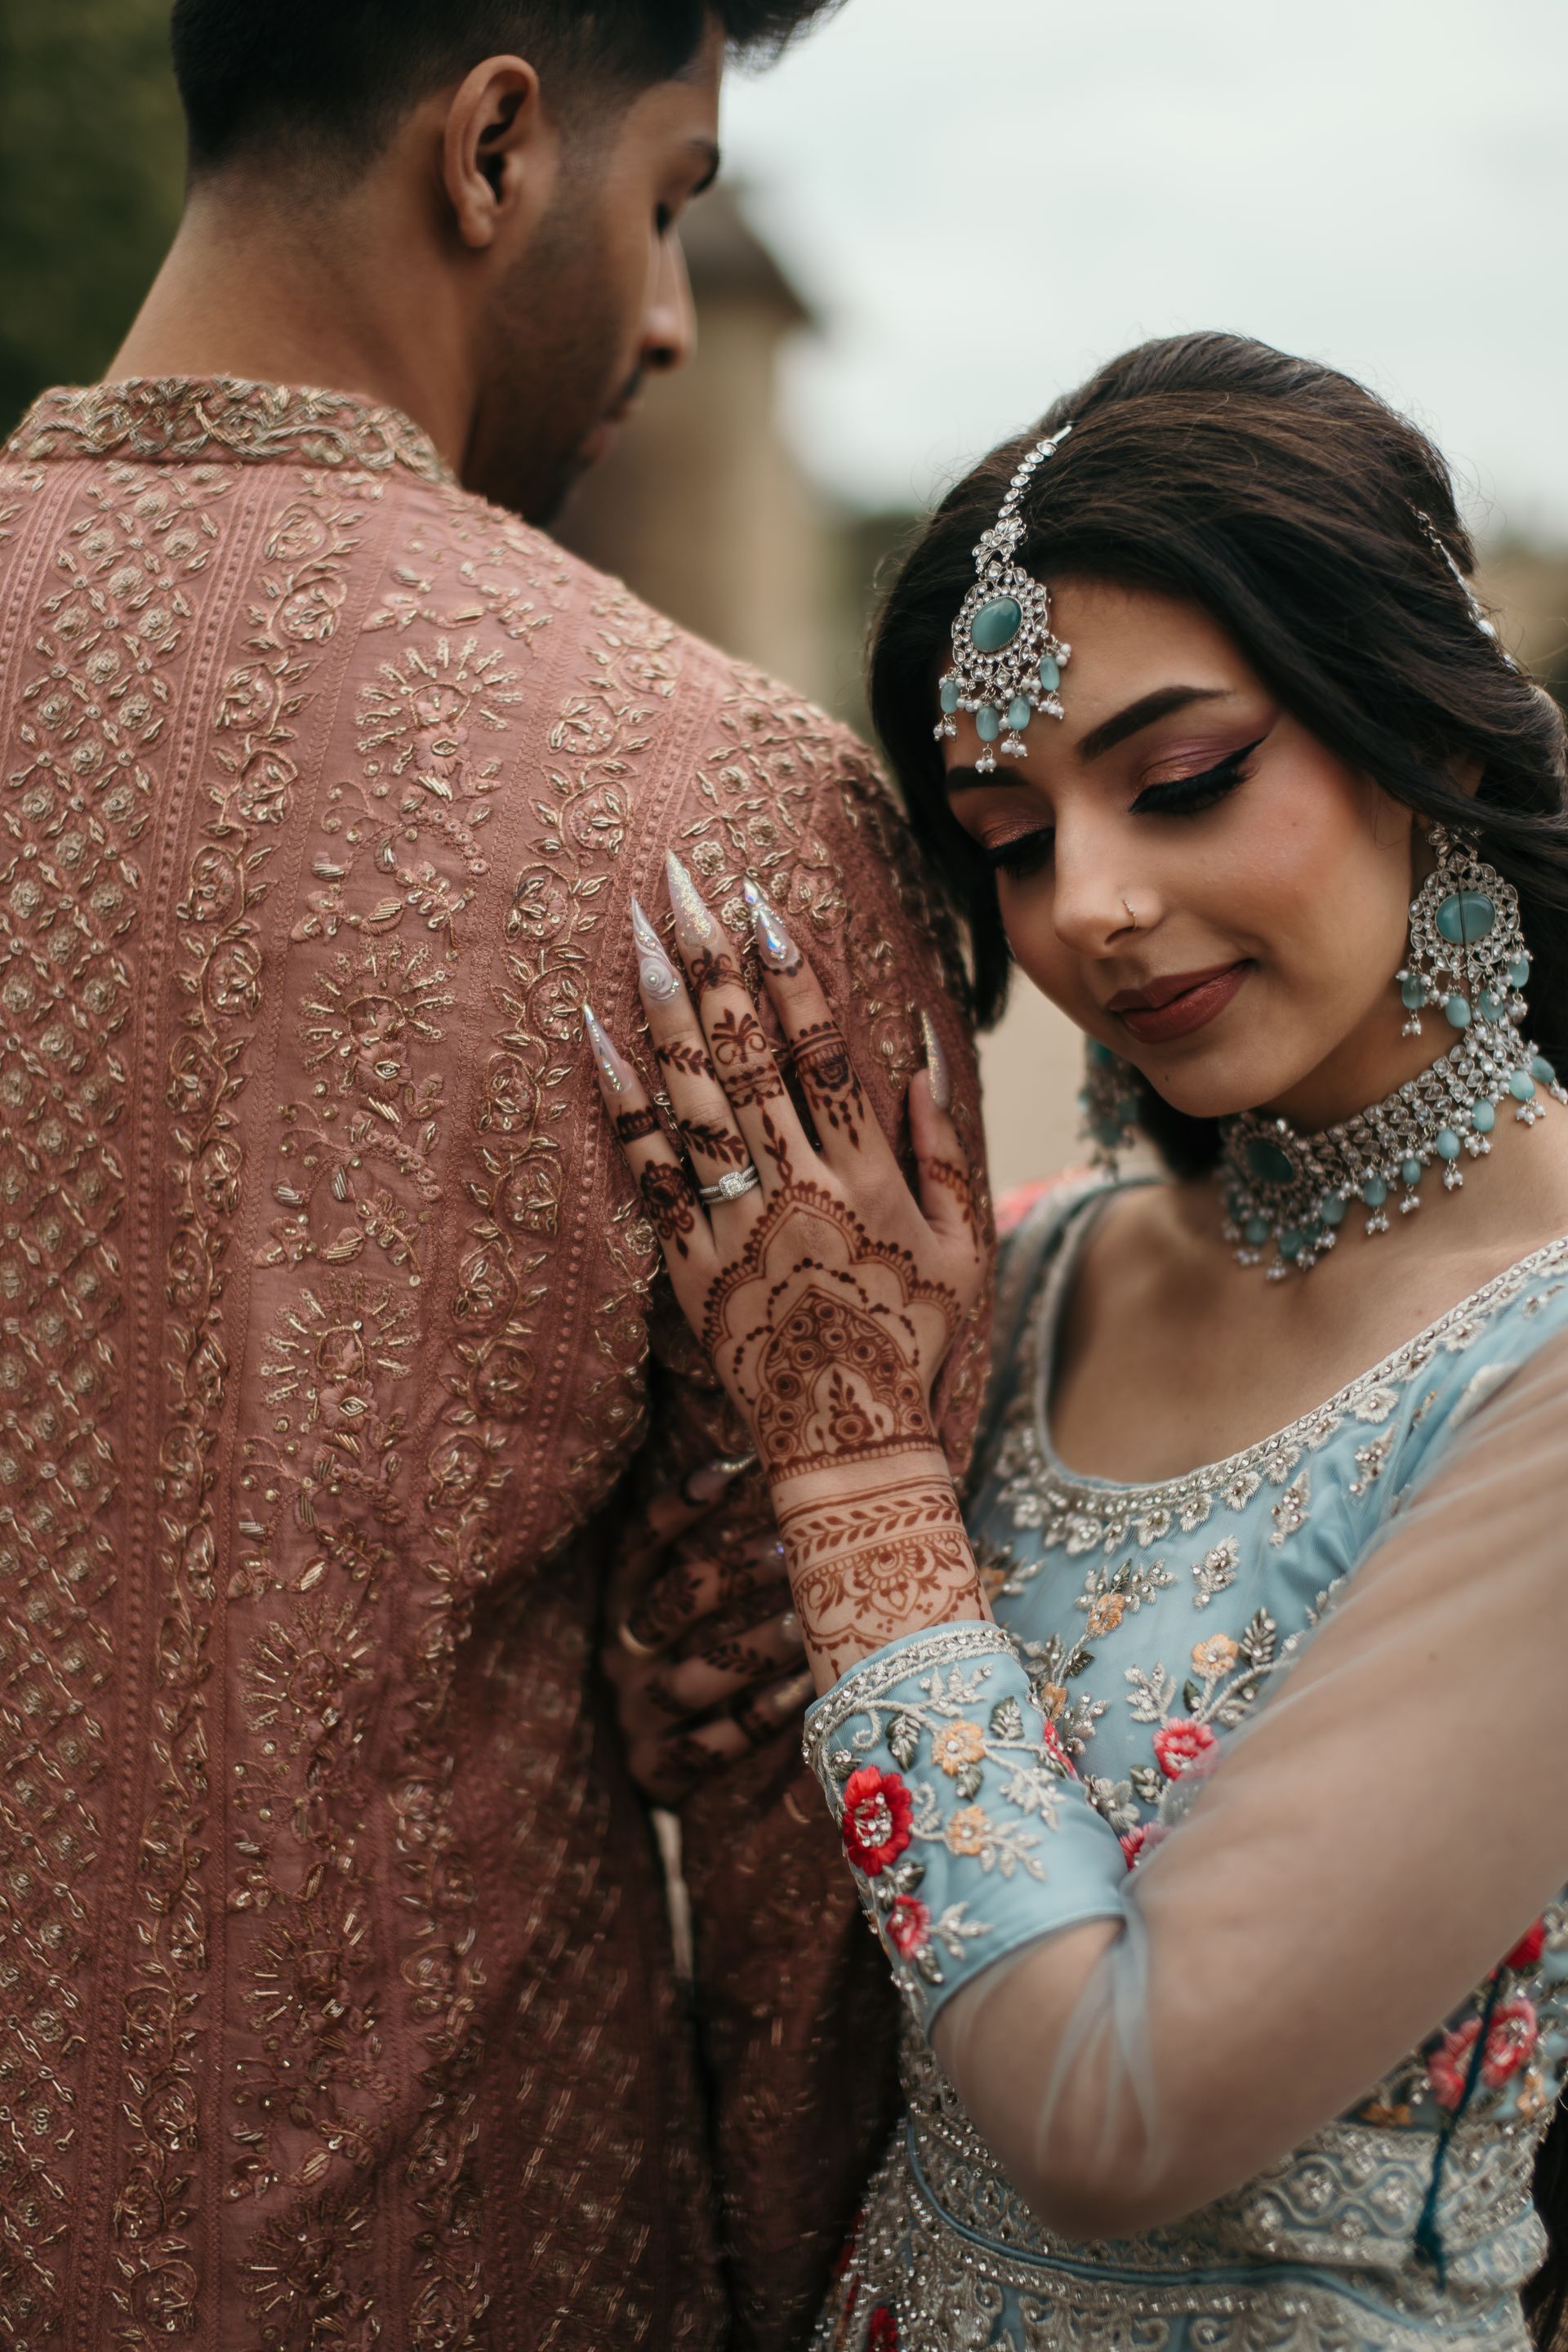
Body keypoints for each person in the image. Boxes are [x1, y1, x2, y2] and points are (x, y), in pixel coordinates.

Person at [0, 5, 996, 2345]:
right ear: (495, 145)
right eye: (668, 197)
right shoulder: (716, 819)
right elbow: (799, 1775)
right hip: (448, 2255)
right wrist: (795, 2275)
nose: (667, 306)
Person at [596, 331, 1568, 2350]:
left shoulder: (1542, 1365)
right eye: (1012, 833)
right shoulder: (1026, 1281)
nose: (1093, 909)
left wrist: (856, 1499)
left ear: (1433, 742)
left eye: (1183, 778)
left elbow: (1118, 2105)